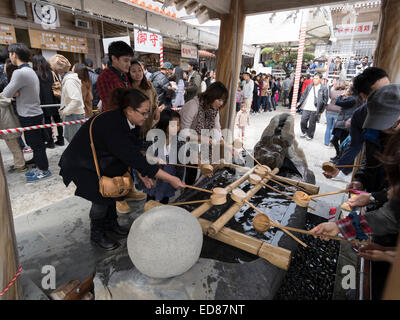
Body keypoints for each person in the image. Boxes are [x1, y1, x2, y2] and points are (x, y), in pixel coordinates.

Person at [59, 88, 185, 250]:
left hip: (104, 160)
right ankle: (97, 233)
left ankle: (111, 225)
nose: (147, 117)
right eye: (144, 113)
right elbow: (134, 158)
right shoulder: (113, 126)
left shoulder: (132, 121)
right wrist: (171, 179)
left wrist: (142, 172)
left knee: (111, 192)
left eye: (148, 112)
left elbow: (134, 151)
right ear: (129, 110)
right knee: (100, 198)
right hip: (84, 163)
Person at [324, 68, 390, 180]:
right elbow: (355, 146)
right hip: (378, 170)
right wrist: (339, 167)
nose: (388, 93)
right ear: (364, 96)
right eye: (380, 91)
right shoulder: (359, 116)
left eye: (389, 87)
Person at [2, 43, 51, 183]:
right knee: (37, 144)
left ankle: (43, 170)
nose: (9, 57)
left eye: (10, 54)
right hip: (34, 112)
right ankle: (40, 166)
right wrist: (16, 92)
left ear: (14, 55)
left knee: (36, 145)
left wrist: (15, 93)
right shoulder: (29, 70)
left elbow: (6, 93)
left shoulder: (19, 72)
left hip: (29, 114)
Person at [179, 81, 228, 185]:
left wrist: (222, 141)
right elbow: (183, 132)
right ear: (211, 96)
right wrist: (204, 139)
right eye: (219, 99)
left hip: (198, 138)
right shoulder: (193, 105)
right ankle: (187, 189)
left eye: (223, 100)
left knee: (202, 164)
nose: (221, 103)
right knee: (190, 167)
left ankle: (198, 183)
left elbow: (217, 127)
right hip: (182, 139)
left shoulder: (214, 110)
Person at [141, 109, 185, 204]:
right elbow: (143, 153)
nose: (177, 128)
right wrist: (153, 159)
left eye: (178, 125)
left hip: (170, 174)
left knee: (165, 198)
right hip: (154, 174)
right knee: (150, 199)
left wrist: (180, 179)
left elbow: (183, 161)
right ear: (164, 124)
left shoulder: (179, 141)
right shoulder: (153, 137)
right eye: (173, 125)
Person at [49, 55, 85, 143]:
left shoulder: (69, 81)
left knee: (75, 143)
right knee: (76, 141)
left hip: (73, 115)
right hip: (75, 114)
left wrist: (65, 112)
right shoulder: (71, 78)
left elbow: (75, 100)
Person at [32, 55, 63, 149]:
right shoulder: (52, 73)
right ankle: (61, 140)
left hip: (43, 102)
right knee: (58, 120)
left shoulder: (35, 74)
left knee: (47, 121)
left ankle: (50, 142)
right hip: (55, 100)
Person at [0, 62, 26, 172]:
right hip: (9, 120)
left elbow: (7, 99)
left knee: (13, 145)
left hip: (7, 121)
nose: (3, 69)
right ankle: (18, 163)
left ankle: (20, 165)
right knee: (13, 144)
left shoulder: (9, 83)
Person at [97, 41, 133, 111]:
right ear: (114, 58)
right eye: (126, 61)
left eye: (130, 61)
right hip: (114, 118)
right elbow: (109, 104)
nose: (129, 64)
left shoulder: (124, 75)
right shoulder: (105, 76)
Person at [330, 86, 360, 161]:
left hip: (344, 124)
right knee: (337, 141)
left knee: (340, 142)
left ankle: (339, 158)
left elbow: (338, 102)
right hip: (343, 123)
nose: (347, 90)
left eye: (348, 89)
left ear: (352, 91)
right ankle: (338, 156)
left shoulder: (352, 99)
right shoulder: (354, 98)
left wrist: (341, 96)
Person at [298, 73, 329, 140]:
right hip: (306, 107)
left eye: (316, 78)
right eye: (314, 78)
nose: (314, 80)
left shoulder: (324, 88)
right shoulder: (309, 86)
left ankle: (310, 135)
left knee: (312, 123)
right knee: (303, 121)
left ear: (320, 79)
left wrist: (321, 111)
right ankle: (304, 131)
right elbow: (304, 95)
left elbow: (325, 101)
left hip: (315, 109)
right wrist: (300, 102)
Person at [324, 79, 346, 146]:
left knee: (328, 127)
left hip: (330, 110)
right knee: (334, 128)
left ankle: (326, 142)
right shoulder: (345, 93)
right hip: (338, 111)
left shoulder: (332, 91)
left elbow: (330, 99)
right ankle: (331, 142)